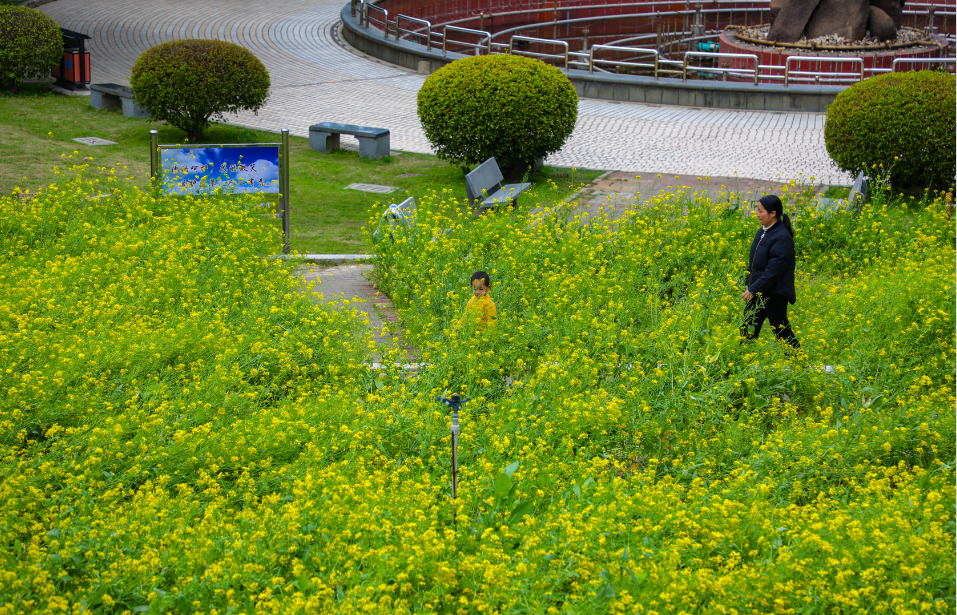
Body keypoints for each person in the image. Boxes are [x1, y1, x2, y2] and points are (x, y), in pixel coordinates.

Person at [740, 195, 800, 348]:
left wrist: (754, 287)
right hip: (760, 290)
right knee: (748, 328)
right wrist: (749, 282)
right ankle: (737, 364)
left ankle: (799, 364)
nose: (758, 214)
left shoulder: (782, 238)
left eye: (761, 211)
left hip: (774, 293)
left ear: (772, 213)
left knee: (781, 331)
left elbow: (774, 270)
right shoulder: (763, 232)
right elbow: (755, 263)